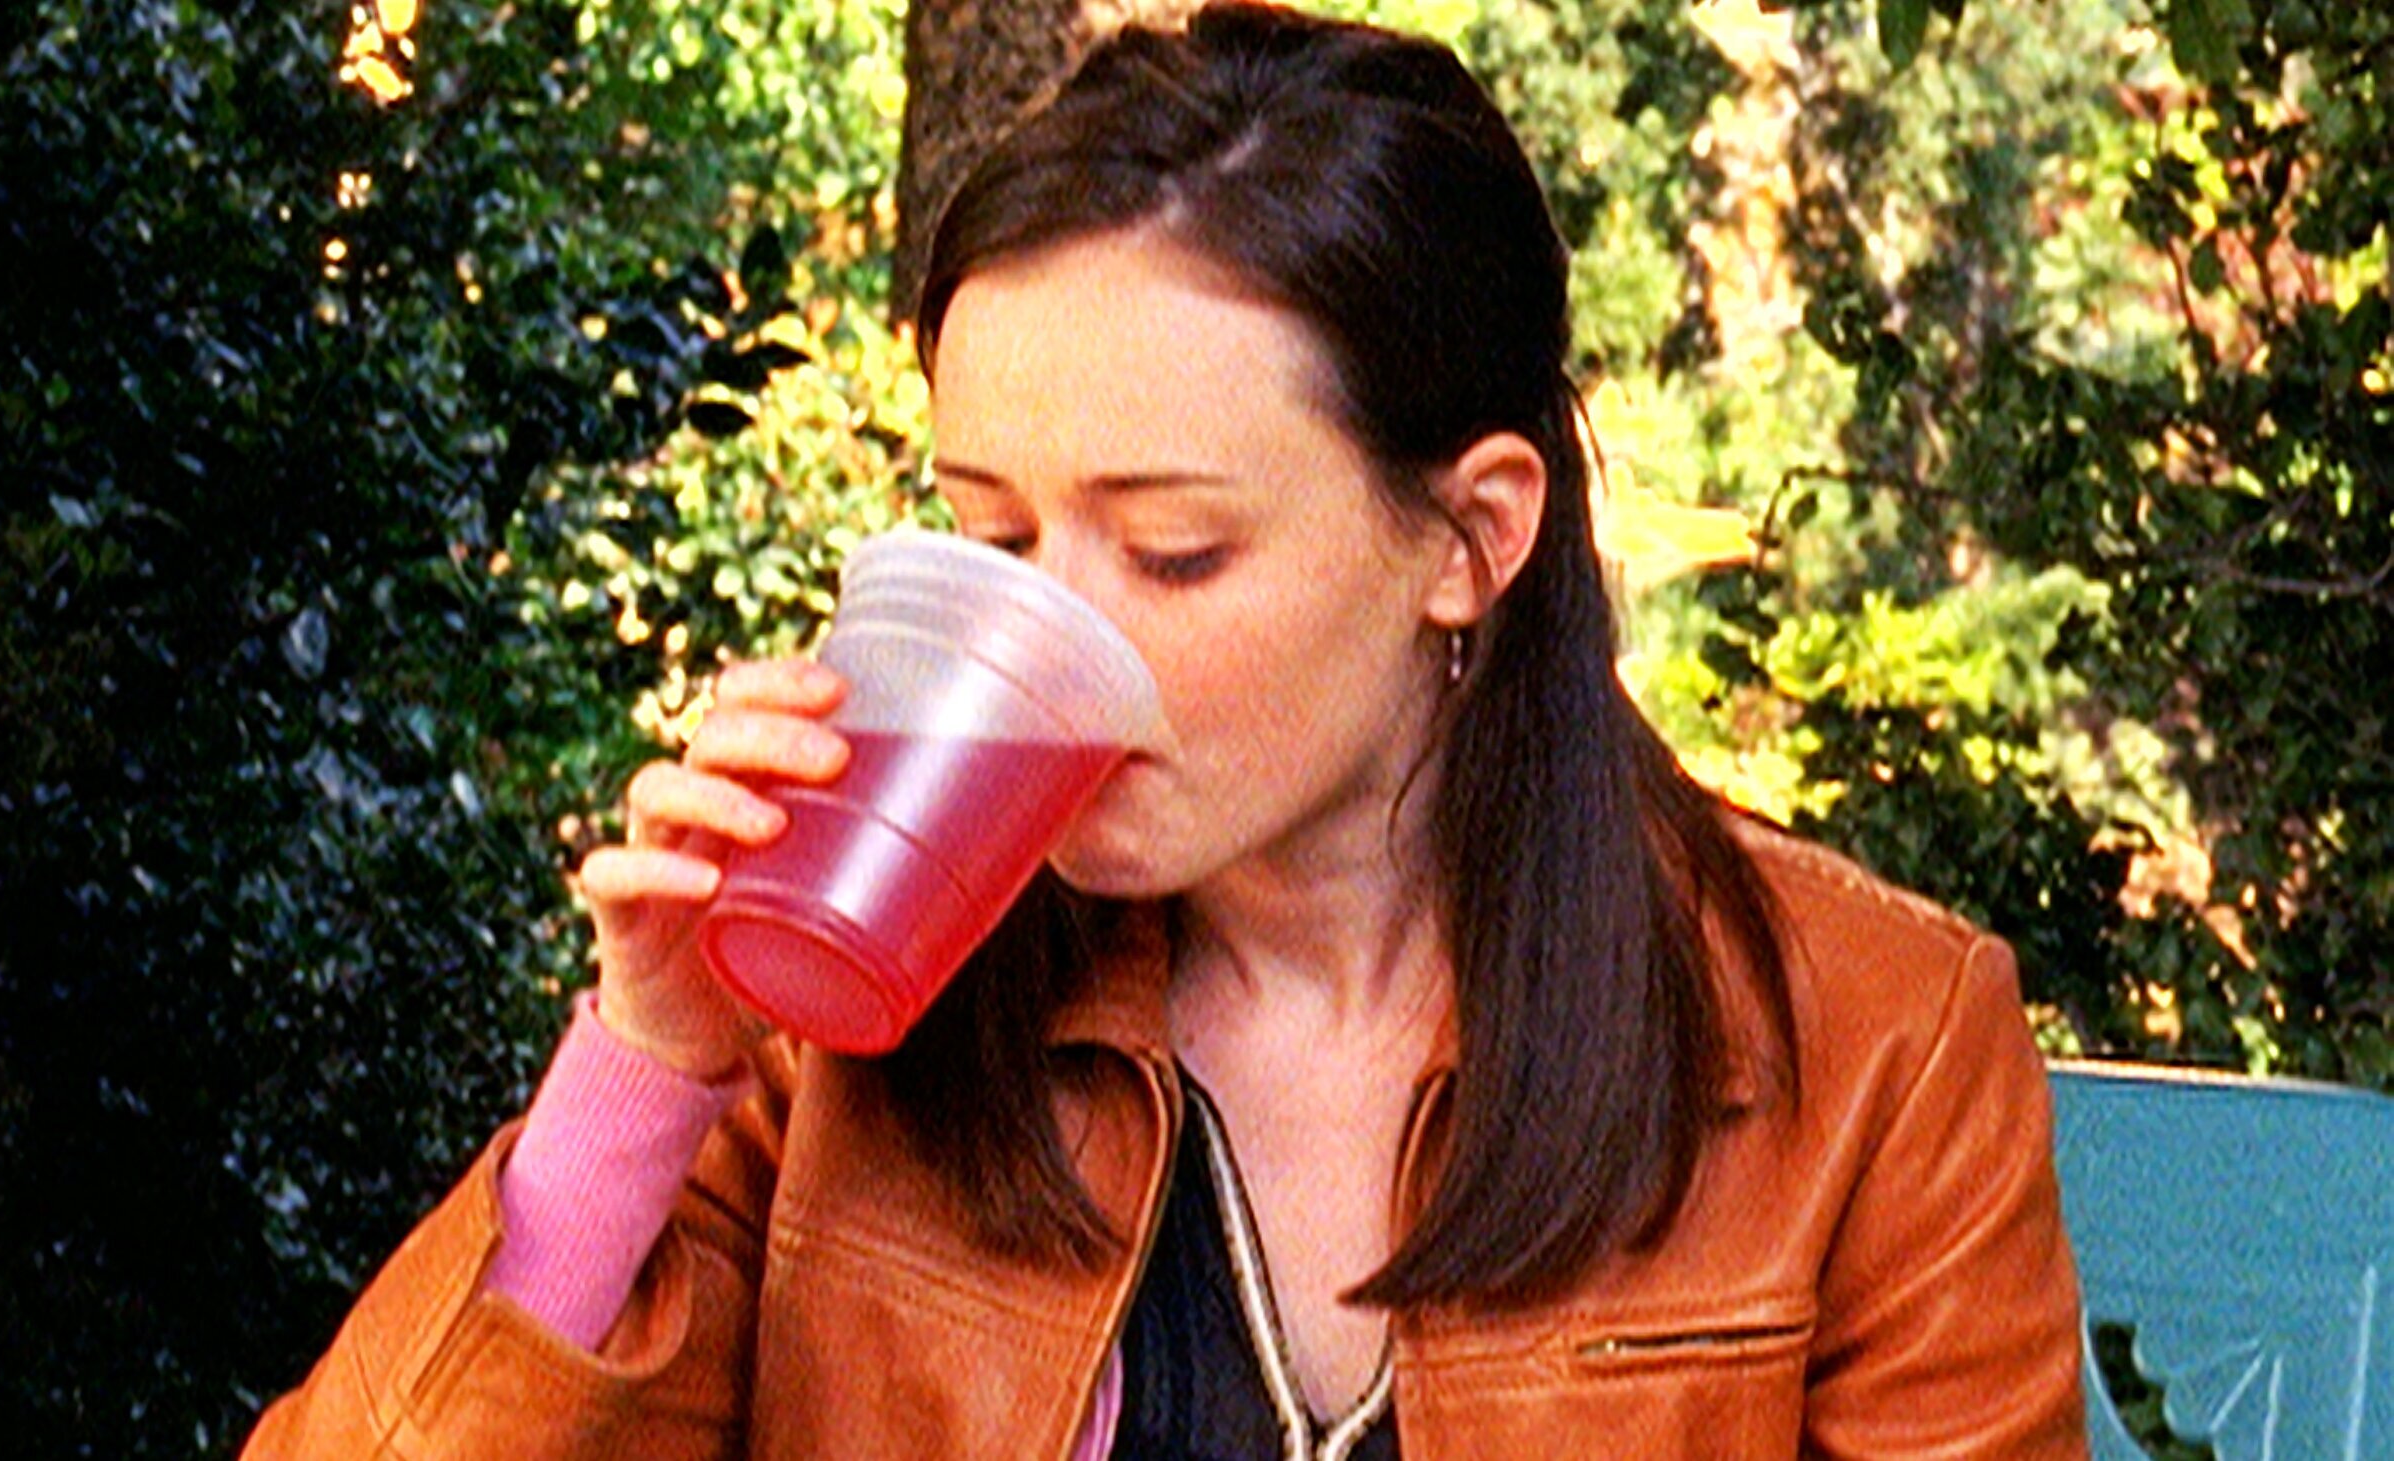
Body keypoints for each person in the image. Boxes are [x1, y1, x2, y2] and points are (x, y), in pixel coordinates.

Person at [242, 5, 2087, 1457]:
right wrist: (649, 1064)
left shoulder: (1876, 1053)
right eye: (993, 536)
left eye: (1175, 550)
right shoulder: (851, 1032)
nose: (1048, 631)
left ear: (1469, 538)